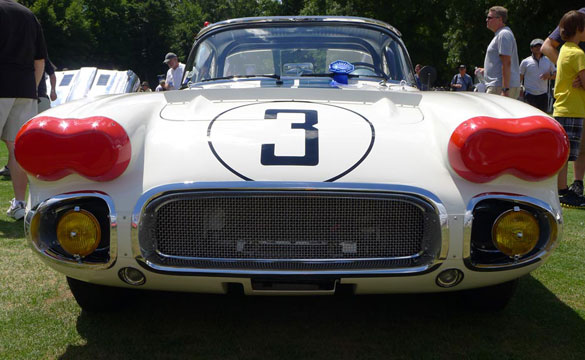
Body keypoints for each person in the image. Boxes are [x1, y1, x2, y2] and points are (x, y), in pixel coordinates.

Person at [0, 0, 47, 220]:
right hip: (25, 88)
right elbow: (40, 60)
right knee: (17, 150)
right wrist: (32, 88)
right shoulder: (28, 15)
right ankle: (19, 204)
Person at [542, 7, 585, 197]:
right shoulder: (576, 52)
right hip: (573, 105)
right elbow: (546, 46)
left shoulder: (570, 49)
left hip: (567, 105)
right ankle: (565, 189)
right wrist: (571, 71)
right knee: (567, 150)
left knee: (565, 150)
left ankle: (565, 188)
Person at [476, 6, 521, 99]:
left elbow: (506, 63)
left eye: (489, 17)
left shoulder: (503, 34)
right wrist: (487, 70)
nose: (486, 20)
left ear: (500, 19)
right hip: (498, 86)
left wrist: (505, 90)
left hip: (499, 87)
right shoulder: (501, 34)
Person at [519, 39, 556, 112]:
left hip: (543, 95)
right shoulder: (525, 62)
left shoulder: (548, 60)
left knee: (542, 117)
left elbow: (556, 74)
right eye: (536, 46)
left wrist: (549, 76)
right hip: (529, 95)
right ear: (531, 49)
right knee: (530, 116)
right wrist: (519, 92)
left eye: (540, 46)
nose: (538, 48)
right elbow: (520, 78)